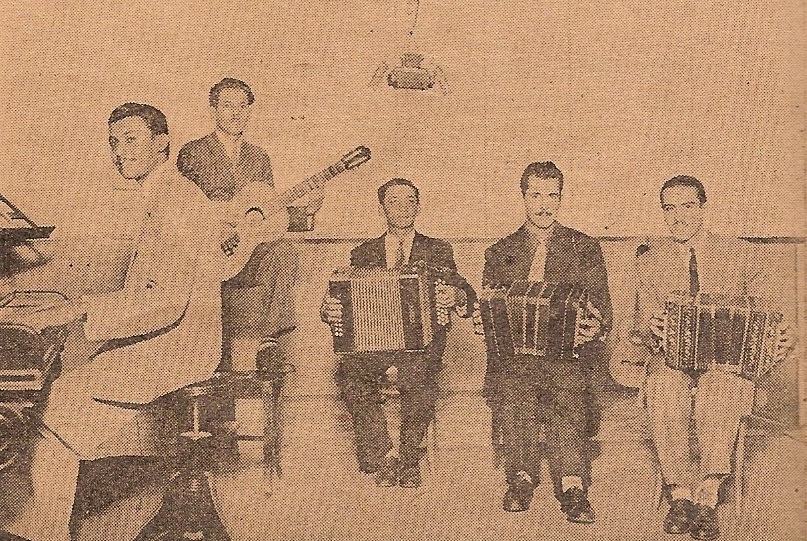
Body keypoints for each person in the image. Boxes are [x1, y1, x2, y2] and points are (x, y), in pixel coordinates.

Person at [0, 103, 245, 541]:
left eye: (131, 140)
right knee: (59, 390)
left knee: (56, 404)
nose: (119, 151)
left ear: (162, 143)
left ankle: (46, 532)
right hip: (173, 337)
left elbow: (165, 302)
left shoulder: (176, 202)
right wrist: (79, 308)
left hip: (180, 347)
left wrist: (80, 312)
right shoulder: (163, 194)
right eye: (114, 142)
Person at [637, 175, 795, 540]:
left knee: (720, 385)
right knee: (663, 384)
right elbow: (641, 326)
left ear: (703, 208)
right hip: (672, 360)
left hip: (726, 365)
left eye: (688, 206)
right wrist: (653, 328)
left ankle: (708, 494)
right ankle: (679, 494)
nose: (678, 217)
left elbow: (774, 316)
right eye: (669, 208)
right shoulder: (650, 262)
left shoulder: (742, 253)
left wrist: (781, 336)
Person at [176, 78, 316, 446]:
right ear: (213, 110)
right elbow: (183, 209)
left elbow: (265, 215)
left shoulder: (259, 158)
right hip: (205, 255)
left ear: (250, 111)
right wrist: (220, 225)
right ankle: (215, 430)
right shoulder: (193, 153)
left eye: (242, 106)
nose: (235, 113)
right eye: (227, 105)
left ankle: (268, 341)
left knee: (284, 251)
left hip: (248, 255)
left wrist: (305, 210)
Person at [481, 161, 611, 523]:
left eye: (552, 196)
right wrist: (484, 320)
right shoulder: (499, 251)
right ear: (523, 196)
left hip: (568, 354)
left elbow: (602, 308)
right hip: (516, 357)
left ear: (561, 198)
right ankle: (521, 477)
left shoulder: (584, 246)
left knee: (567, 384)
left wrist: (593, 327)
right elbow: (490, 307)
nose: (544, 205)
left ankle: (572, 485)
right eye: (536, 195)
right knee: (514, 382)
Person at [320, 178, 471, 489]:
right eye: (394, 202)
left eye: (409, 201)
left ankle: (409, 458)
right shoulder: (362, 253)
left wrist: (455, 296)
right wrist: (327, 309)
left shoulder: (438, 250)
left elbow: (466, 293)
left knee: (420, 375)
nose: (403, 208)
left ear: (419, 206)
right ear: (381, 209)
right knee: (349, 375)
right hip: (373, 345)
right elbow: (341, 297)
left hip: (421, 347)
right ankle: (385, 455)